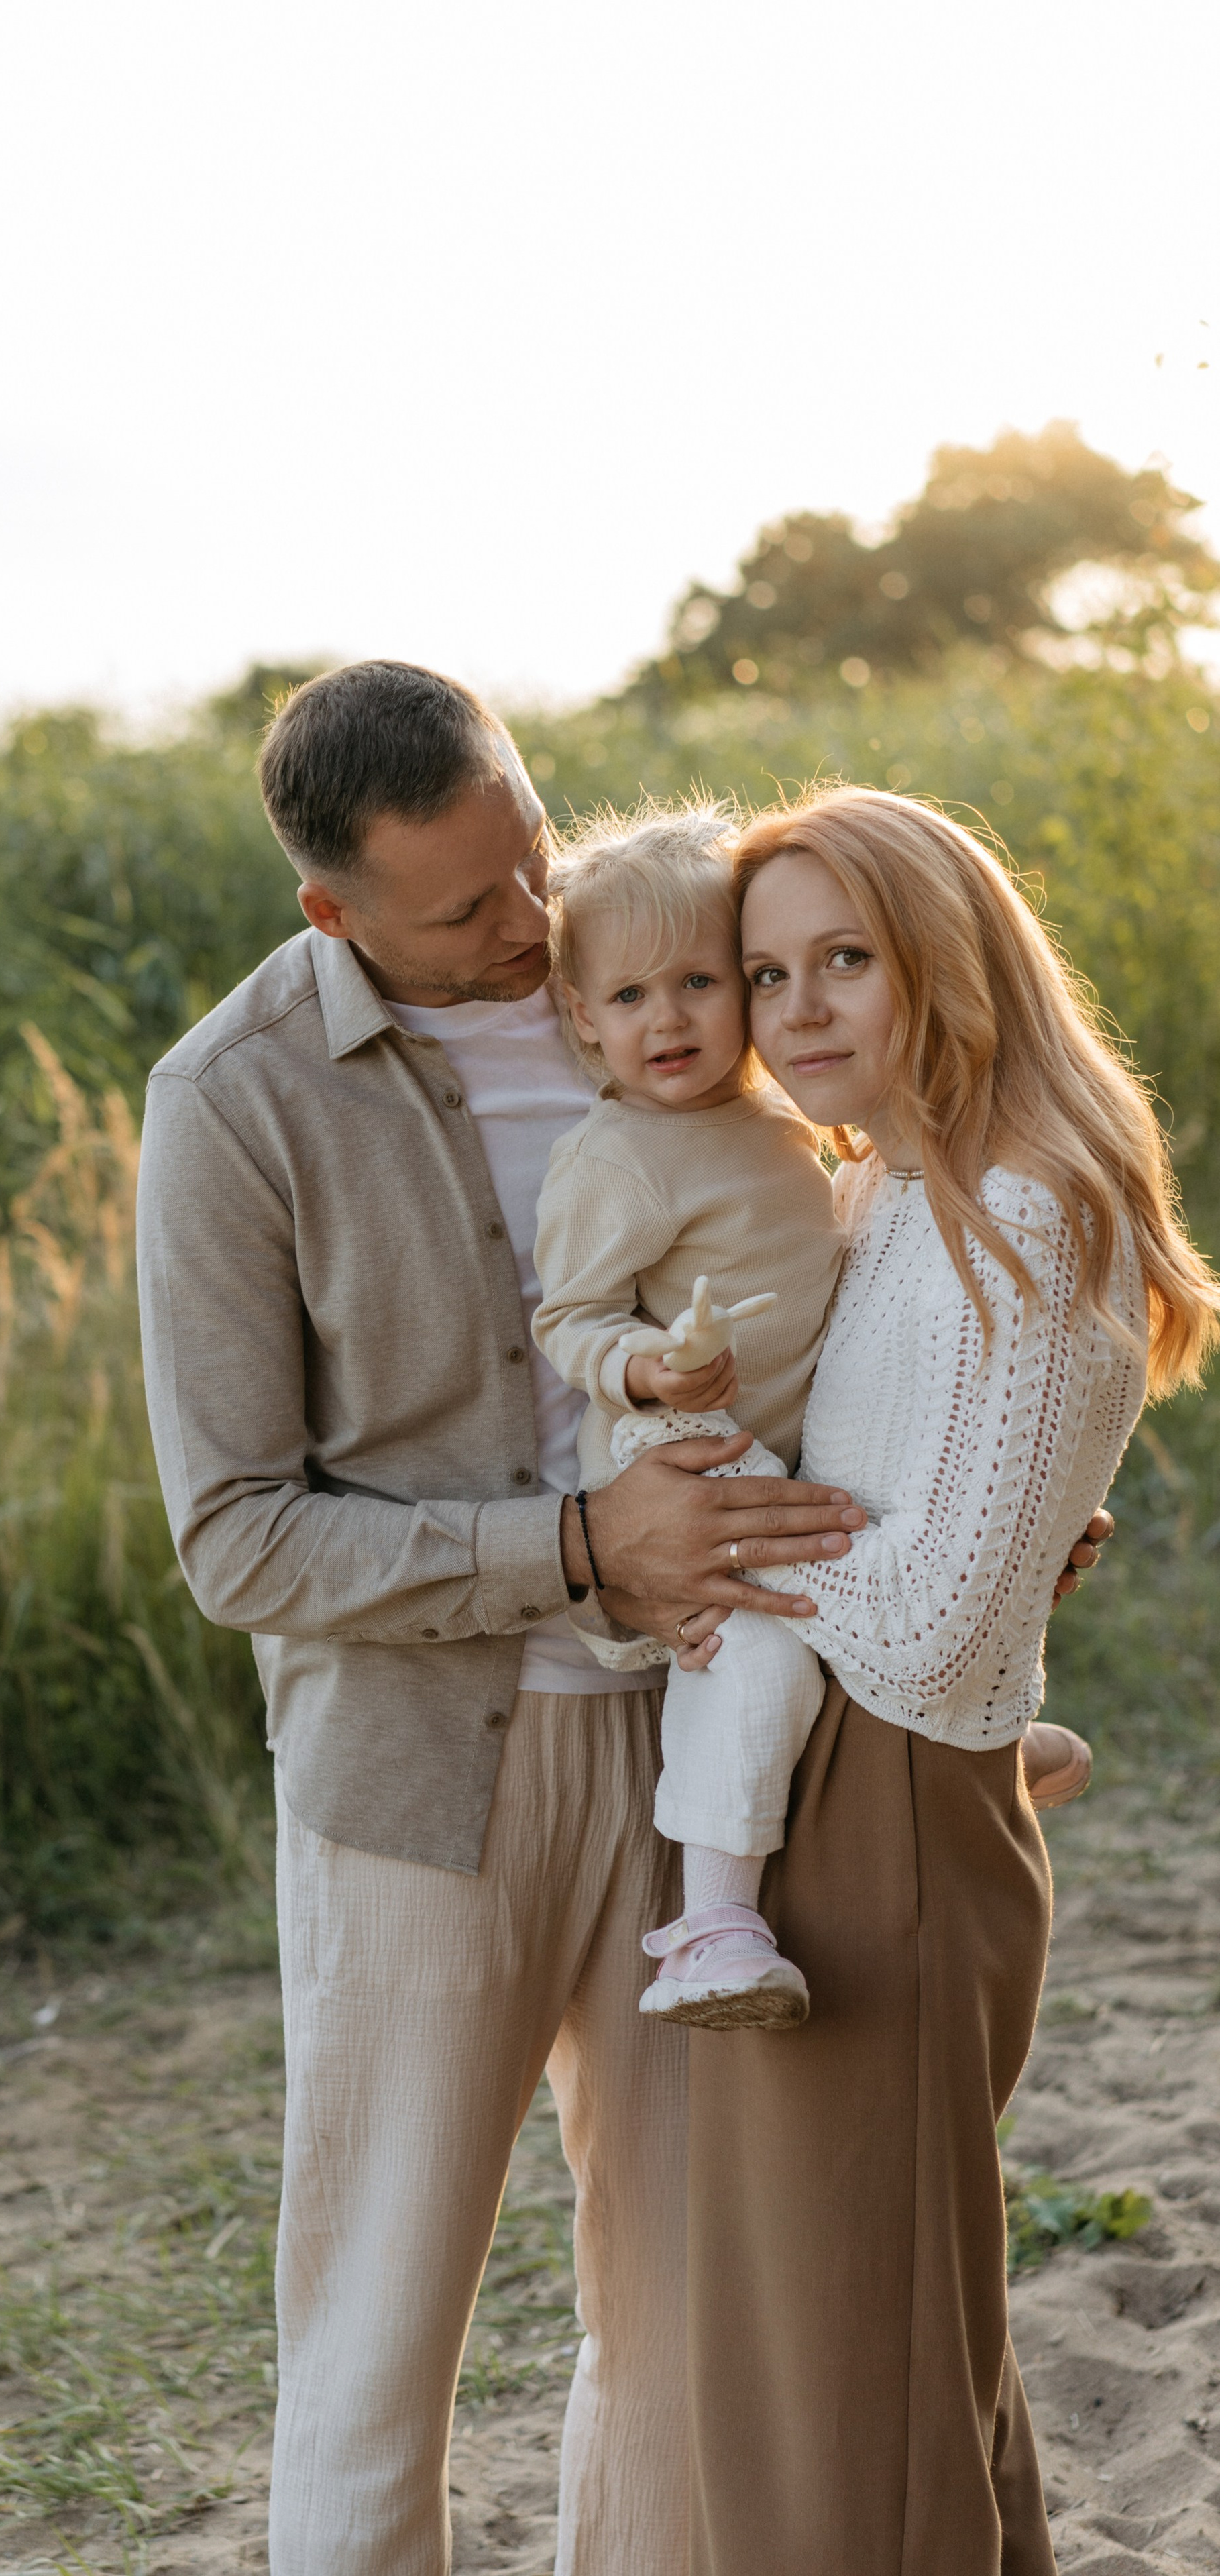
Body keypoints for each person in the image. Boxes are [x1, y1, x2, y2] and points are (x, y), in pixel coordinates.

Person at [134, 661, 869, 2576]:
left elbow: (839, 1257)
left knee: (682, 2320)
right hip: (419, 1782)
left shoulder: (659, 987)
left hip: (702, 1737)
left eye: (528, 856)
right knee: (376, 2342)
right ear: (334, 911)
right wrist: (575, 1550)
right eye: (463, 909)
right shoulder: (232, 1104)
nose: (526, 925)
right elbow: (236, 1540)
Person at [672, 787, 1220, 2575]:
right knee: (880, 2356)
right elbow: (916, 1535)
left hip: (897, 1812)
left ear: (952, 963)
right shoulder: (886, 1195)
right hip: (842, 1782)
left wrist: (712, 1542)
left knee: (871, 2360)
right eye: (766, 974)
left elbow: (925, 1624)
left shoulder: (1034, 1212)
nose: (800, 1009)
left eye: (851, 959)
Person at [531, 803, 842, 2027]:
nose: (668, 1021)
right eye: (628, 997)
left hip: (787, 1434)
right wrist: (650, 1370)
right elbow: (570, 1320)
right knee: (757, 1643)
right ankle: (711, 1924)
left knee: (869, 1545)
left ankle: (952, 1751)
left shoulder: (777, 1118)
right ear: (580, 1018)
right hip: (681, 1448)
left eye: (701, 982)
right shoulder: (617, 1159)